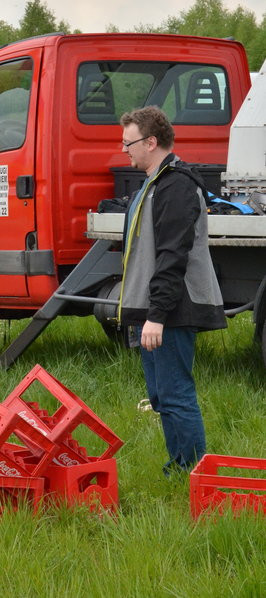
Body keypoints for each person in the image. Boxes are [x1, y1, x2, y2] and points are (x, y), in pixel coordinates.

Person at [118, 106, 226, 474]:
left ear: (151, 141)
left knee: (176, 395)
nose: (124, 150)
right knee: (162, 396)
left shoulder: (176, 185)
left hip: (173, 310)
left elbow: (172, 256)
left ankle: (193, 472)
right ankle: (179, 467)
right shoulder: (152, 184)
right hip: (156, 310)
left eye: (128, 142)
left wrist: (156, 316)